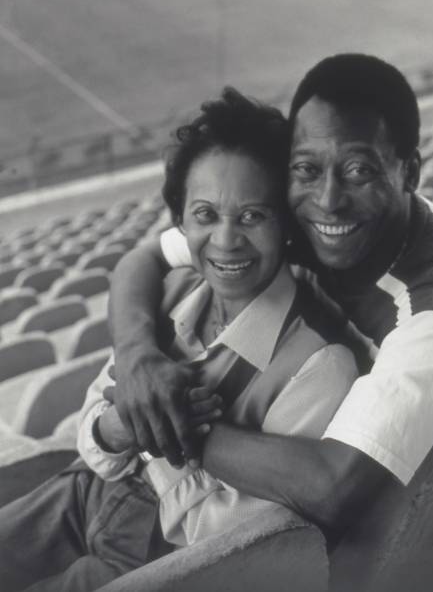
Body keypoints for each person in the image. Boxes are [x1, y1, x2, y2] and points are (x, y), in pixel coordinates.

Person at [108, 53, 433, 534]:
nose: (328, 200)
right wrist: (136, 357)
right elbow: (145, 259)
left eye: (359, 170)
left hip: (395, 519)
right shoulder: (302, 217)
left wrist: (166, 419)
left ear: (410, 172)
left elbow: (334, 488)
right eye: (307, 169)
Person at [0, 89, 357, 591]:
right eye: (206, 215)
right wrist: (124, 424)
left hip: (157, 556)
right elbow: (94, 435)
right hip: (86, 490)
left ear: (287, 224)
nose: (227, 239)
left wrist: (157, 425)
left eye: (253, 215)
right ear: (181, 221)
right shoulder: (172, 291)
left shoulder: (319, 364)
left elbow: (238, 538)